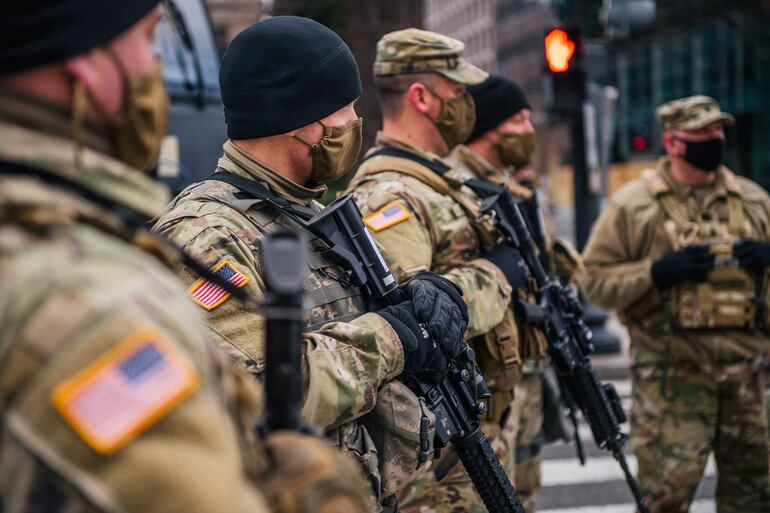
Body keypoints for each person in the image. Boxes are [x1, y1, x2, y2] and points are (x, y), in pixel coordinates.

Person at [0, 2, 374, 513]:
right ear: (86, 59)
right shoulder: (86, 292)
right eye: (150, 39)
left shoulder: (63, 244)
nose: (156, 70)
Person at [152, 17, 467, 511]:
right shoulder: (207, 237)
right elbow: (257, 397)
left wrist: (419, 298)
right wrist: (392, 338)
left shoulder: (305, 214)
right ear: (305, 123)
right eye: (348, 110)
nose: (356, 124)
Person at [346, 29, 529, 513]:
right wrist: (498, 273)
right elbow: (422, 318)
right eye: (459, 92)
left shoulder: (439, 181)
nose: (468, 104)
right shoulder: (392, 194)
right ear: (421, 97)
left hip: (476, 427)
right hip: (441, 456)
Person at [580, 95, 770, 513]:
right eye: (703, 133)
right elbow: (593, 281)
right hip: (673, 381)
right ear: (673, 143)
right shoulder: (634, 205)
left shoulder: (755, 201)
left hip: (748, 381)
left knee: (755, 498)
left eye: (719, 131)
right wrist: (656, 272)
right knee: (666, 500)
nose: (715, 139)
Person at [448, 74, 581, 512]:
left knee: (524, 491)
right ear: (492, 127)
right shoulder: (459, 190)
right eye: (520, 120)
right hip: (485, 386)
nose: (530, 130)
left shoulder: (515, 191)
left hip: (526, 370)